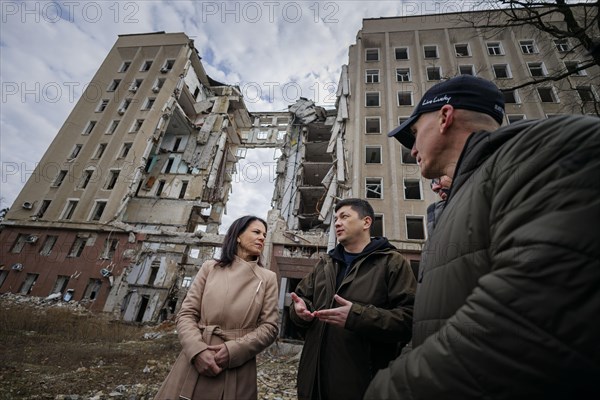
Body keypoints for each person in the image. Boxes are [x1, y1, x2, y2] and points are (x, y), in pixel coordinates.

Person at [365, 74, 600, 398]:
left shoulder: (553, 148)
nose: (412, 150)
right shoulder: (459, 202)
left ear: (445, 116)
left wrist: (389, 389)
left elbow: (529, 326)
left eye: (415, 133)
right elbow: (433, 326)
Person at [290, 198, 416, 400]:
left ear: (366, 222)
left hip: (361, 386)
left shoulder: (392, 262)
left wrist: (356, 316)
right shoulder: (325, 263)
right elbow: (302, 301)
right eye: (336, 218)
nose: (337, 223)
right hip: (313, 382)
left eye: (345, 217)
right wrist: (300, 312)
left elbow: (408, 320)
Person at [154, 216, 279, 400]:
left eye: (264, 234)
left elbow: (270, 327)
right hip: (195, 360)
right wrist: (197, 351)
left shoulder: (268, 278)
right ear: (237, 235)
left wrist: (233, 351)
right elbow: (187, 314)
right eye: (256, 232)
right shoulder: (210, 268)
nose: (262, 238)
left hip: (237, 365)